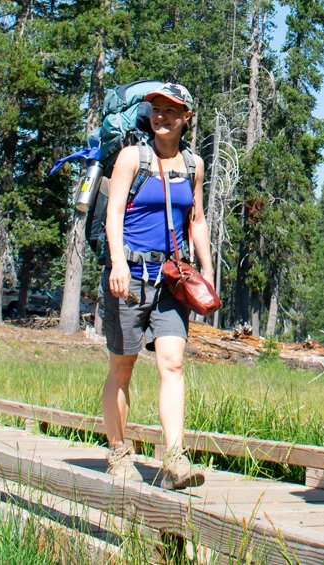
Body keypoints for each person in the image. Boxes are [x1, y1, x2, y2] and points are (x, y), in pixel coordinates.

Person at [99, 83, 212, 489]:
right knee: (122, 364)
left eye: (171, 110)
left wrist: (207, 268)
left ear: (187, 118)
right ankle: (118, 450)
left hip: (170, 280)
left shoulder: (194, 165)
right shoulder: (132, 157)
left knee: (173, 363)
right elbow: (113, 213)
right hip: (128, 277)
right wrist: (116, 262)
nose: (162, 116)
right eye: (156, 109)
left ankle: (175, 458)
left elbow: (196, 220)